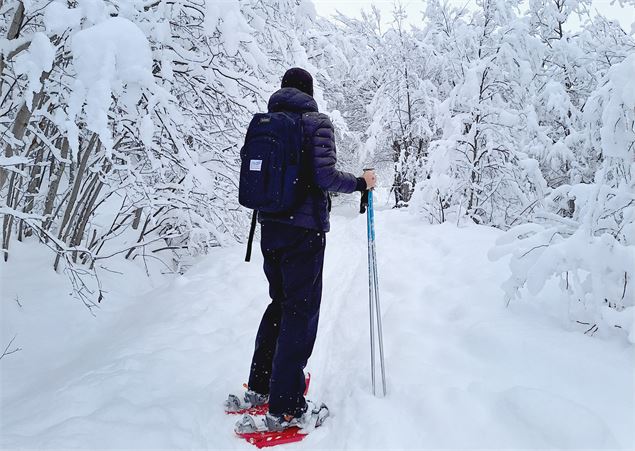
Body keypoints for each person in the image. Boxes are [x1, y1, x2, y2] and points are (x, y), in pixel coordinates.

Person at [244, 67, 376, 429]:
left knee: (279, 304)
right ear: (309, 91)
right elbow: (325, 177)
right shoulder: (316, 123)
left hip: (269, 227)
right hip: (303, 231)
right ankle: (286, 406)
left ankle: (260, 387)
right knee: (300, 312)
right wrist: (360, 183)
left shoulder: (265, 123)